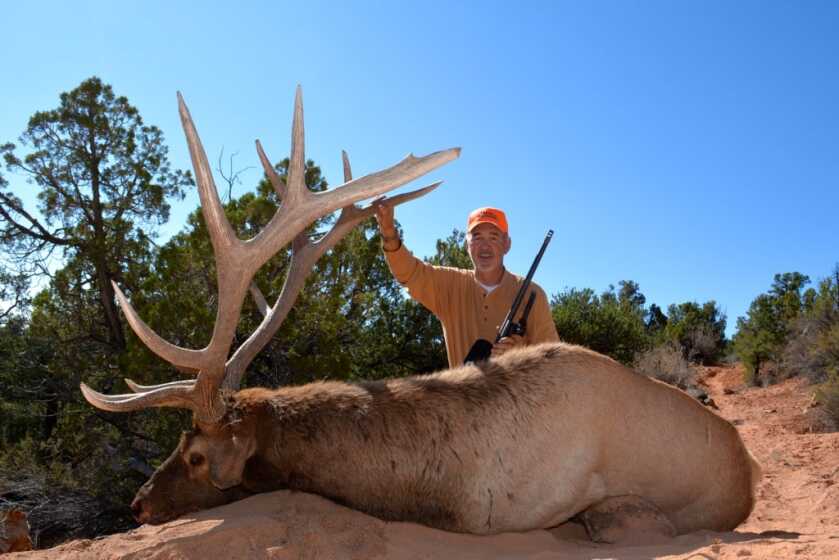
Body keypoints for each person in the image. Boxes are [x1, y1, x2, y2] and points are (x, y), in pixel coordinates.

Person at [374, 201, 559, 367]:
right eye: (477, 237)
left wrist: (521, 356)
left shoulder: (533, 294)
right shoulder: (449, 285)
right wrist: (388, 230)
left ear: (507, 244)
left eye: (493, 237)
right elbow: (408, 272)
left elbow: (556, 361)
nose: (485, 246)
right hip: (463, 403)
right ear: (467, 244)